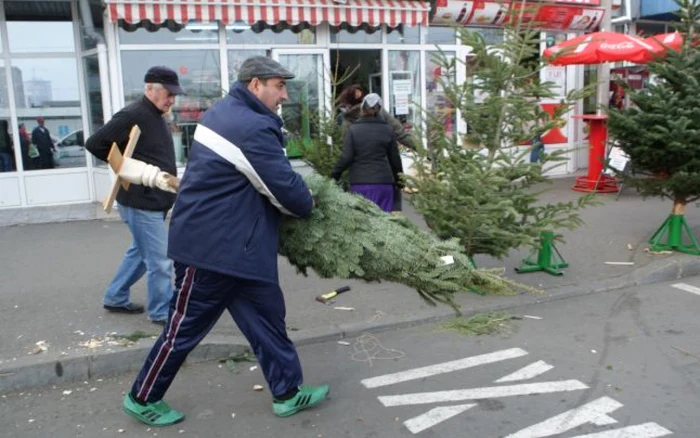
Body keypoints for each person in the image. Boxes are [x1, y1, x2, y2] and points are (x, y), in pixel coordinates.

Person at [121, 56, 329, 427]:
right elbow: (283, 187)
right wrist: (308, 200)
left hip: (241, 248)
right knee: (182, 330)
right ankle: (142, 396)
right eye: (279, 86)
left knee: (268, 321)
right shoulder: (248, 125)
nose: (284, 94)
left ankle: (288, 391)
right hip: (210, 249)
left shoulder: (227, 113)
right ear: (255, 85)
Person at [85, 66, 185, 324]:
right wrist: (126, 167)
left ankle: (115, 296)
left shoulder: (155, 114)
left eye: (174, 94)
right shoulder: (134, 113)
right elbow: (95, 143)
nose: (172, 99)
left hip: (152, 201)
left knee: (140, 254)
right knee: (160, 262)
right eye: (168, 93)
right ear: (149, 89)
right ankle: (161, 313)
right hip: (142, 202)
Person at [338, 86, 416, 213]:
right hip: (384, 178)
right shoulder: (381, 114)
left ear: (347, 104)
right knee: (386, 218)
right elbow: (401, 135)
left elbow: (347, 155)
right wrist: (422, 150)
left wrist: (334, 176)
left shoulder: (348, 123)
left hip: (359, 180)